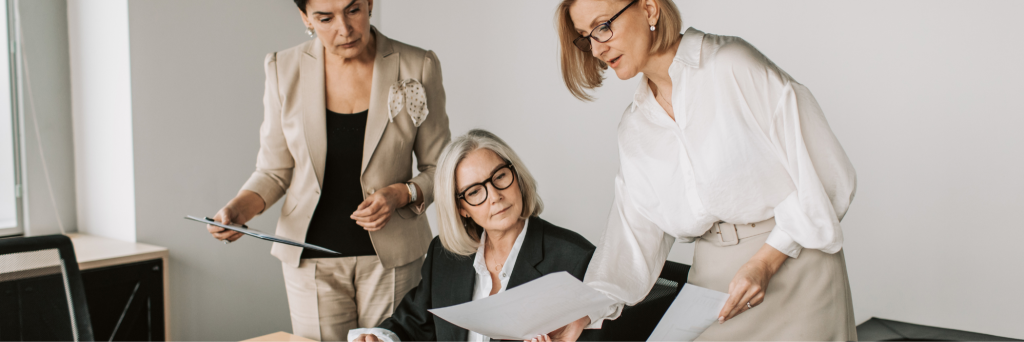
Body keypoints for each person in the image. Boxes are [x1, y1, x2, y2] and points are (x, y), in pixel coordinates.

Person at [546, 0, 858, 341]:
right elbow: (633, 238)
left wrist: (766, 262)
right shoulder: (634, 127)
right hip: (713, 280)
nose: (596, 46)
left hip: (796, 266)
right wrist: (585, 312)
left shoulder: (731, 65)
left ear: (649, 9)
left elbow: (828, 173)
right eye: (584, 37)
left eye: (603, 25)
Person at [205, 0, 450, 340]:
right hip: (309, 261)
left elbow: (441, 167)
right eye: (325, 17)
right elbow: (275, 170)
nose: (344, 29)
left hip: (392, 258)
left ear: (369, 4)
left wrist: (400, 193)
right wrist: (237, 209)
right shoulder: (282, 68)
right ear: (305, 17)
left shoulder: (416, 64)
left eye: (353, 10)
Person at [349, 129, 600, 342]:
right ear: (462, 209)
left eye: (500, 176)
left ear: (517, 177)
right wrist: (379, 337)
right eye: (474, 191)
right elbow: (414, 323)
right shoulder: (444, 255)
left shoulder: (576, 258)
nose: (494, 196)